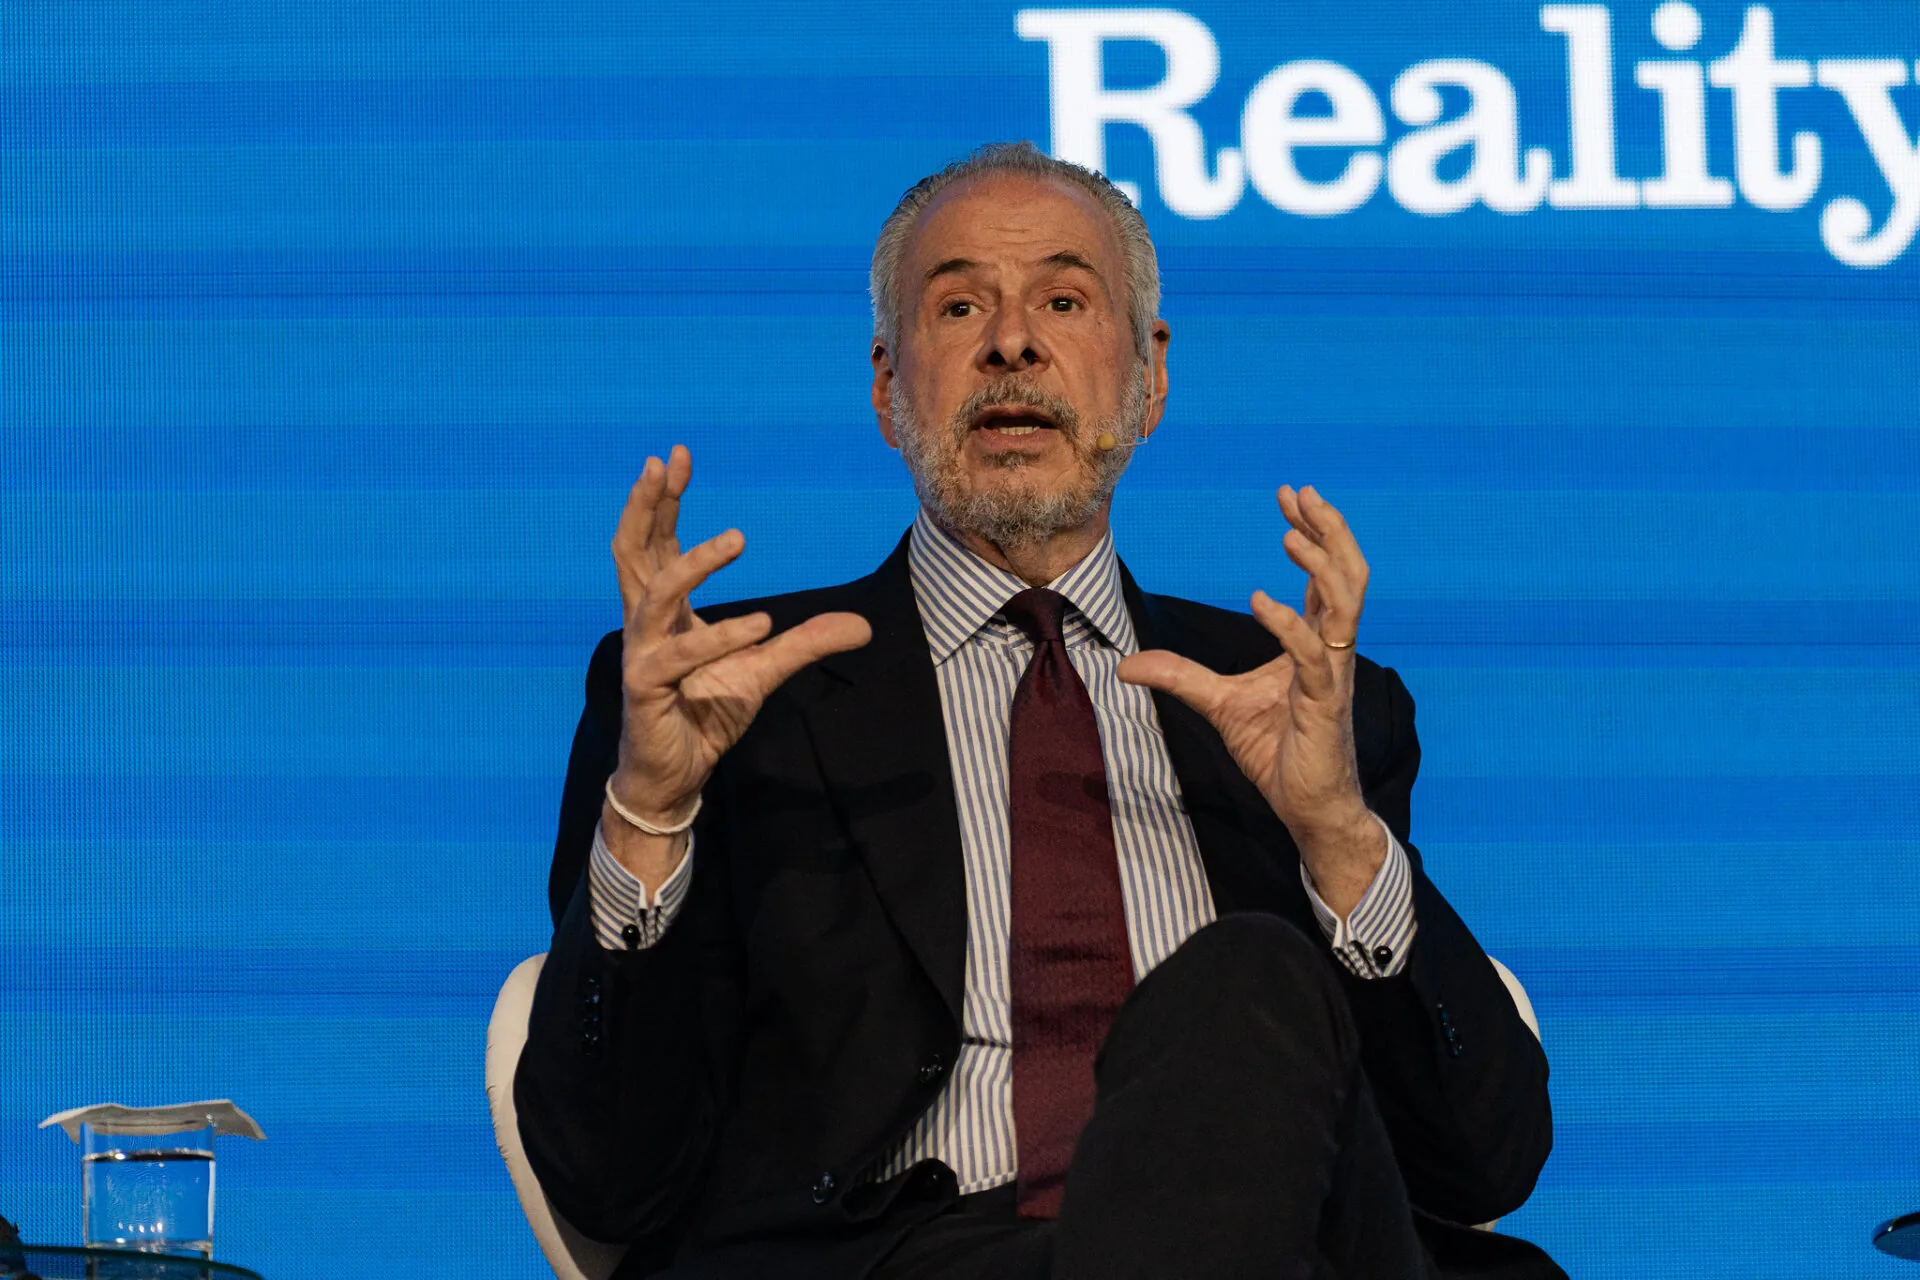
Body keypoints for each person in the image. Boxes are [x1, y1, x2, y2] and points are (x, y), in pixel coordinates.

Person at [516, 141, 1561, 1280]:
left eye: (1064, 301)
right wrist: (652, 814)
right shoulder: (728, 695)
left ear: (1151, 377)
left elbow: (1483, 1164)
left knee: (1248, 976)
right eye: (959, 305)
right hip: (908, 1255)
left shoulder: (1297, 698)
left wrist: (1339, 839)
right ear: (886, 388)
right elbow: (608, 1179)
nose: (1012, 342)